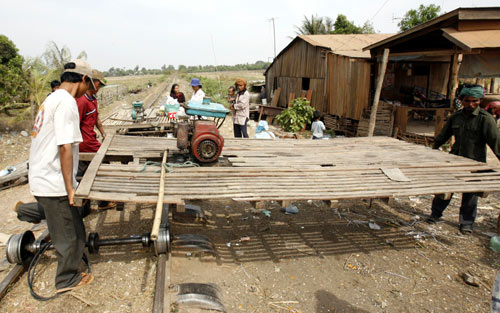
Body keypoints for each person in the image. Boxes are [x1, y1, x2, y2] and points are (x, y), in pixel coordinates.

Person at [22, 59, 95, 293]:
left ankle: (24, 211)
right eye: (89, 84)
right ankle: (66, 279)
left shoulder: (53, 98)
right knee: (69, 235)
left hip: (43, 177)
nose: (89, 90)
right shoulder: (66, 103)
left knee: (73, 220)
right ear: (83, 79)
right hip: (53, 182)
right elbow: (65, 146)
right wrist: (70, 188)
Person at [426, 85, 500, 234]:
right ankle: (435, 215)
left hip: (475, 163)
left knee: (470, 195)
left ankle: (466, 224)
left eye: (475, 101)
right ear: (462, 100)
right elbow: (442, 136)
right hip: (454, 161)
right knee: (445, 190)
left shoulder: (485, 120)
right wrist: (430, 152)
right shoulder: (456, 117)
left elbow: (495, 143)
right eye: (467, 101)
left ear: (480, 101)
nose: (471, 104)